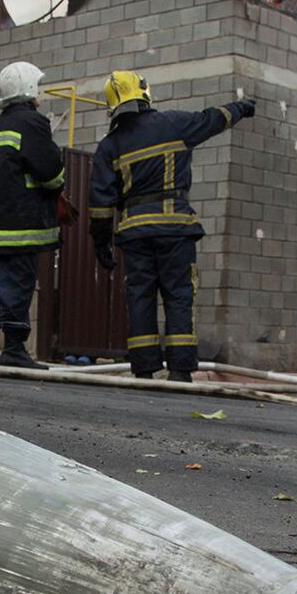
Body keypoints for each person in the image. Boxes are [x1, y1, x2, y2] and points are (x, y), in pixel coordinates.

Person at [89, 72, 253, 381]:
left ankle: (144, 369)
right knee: (178, 296)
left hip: (135, 234)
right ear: (144, 94)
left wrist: (101, 243)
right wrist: (242, 107)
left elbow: (99, 204)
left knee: (140, 297)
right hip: (176, 230)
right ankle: (180, 371)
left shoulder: (110, 146)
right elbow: (213, 120)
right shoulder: (174, 124)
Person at [0, 61, 68, 369]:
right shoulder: (32, 123)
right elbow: (50, 171)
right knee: (19, 283)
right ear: (29, 89)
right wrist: (59, 188)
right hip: (21, 223)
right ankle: (14, 348)